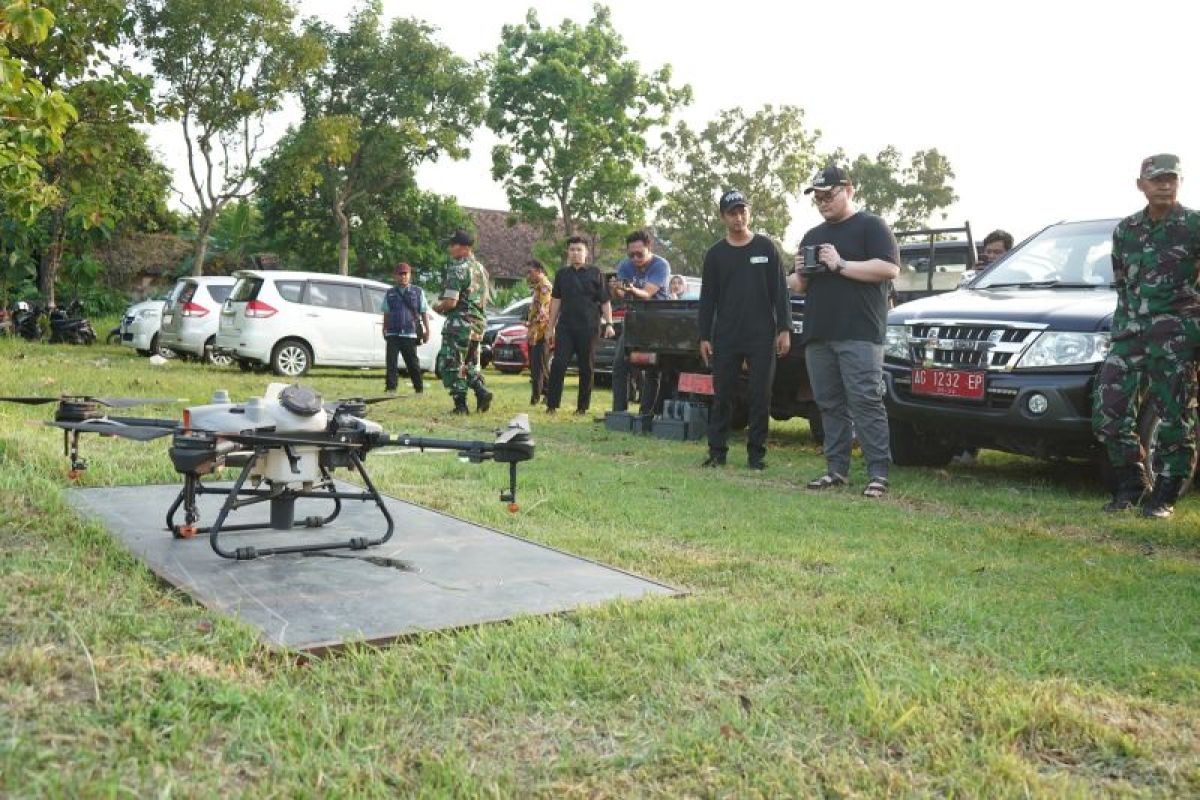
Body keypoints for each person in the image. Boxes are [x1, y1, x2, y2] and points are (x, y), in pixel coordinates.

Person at [1093, 153, 1200, 519]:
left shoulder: (1194, 225)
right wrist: (1122, 329)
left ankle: (1165, 494)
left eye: (1171, 178)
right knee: (1109, 408)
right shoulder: (1126, 230)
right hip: (1131, 334)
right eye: (1156, 179)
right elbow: (1124, 284)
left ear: (1179, 182)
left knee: (1175, 416)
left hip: (1177, 336)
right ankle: (1131, 485)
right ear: (1141, 184)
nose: (1164, 184)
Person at [794, 165, 900, 498]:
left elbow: (888, 268)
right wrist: (799, 273)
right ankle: (836, 470)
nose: (823, 202)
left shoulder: (871, 226)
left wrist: (841, 264)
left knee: (866, 401)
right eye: (818, 198)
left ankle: (878, 474)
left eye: (829, 195)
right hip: (818, 333)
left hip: (860, 332)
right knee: (828, 405)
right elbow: (799, 285)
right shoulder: (811, 236)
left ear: (849, 190)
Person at [698, 190, 790, 471]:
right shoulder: (715, 254)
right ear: (724, 217)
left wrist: (784, 329)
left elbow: (781, 292)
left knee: (761, 395)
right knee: (723, 395)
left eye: (742, 212)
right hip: (726, 334)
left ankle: (756, 455)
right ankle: (717, 453)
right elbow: (708, 298)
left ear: (749, 213)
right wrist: (703, 336)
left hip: (762, 334)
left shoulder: (767, 247)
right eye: (732, 213)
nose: (738, 218)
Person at [545, 236, 616, 415]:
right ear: (568, 253)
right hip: (566, 327)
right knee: (558, 364)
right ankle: (552, 405)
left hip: (589, 327)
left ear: (586, 253)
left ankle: (582, 407)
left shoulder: (595, 273)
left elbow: (605, 301)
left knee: (586, 367)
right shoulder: (562, 274)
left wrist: (609, 323)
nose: (575, 253)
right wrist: (550, 327)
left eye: (579, 250)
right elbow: (555, 301)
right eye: (572, 250)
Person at [609, 229, 671, 416]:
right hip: (634, 318)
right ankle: (619, 411)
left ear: (649, 248)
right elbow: (620, 296)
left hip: (657, 318)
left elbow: (647, 293)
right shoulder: (625, 265)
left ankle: (647, 413)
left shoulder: (661, 265)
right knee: (620, 364)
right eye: (631, 254)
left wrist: (631, 288)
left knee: (653, 369)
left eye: (639, 254)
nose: (635, 258)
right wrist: (615, 289)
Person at [432, 229, 493, 415]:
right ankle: (481, 391)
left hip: (460, 324)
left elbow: (451, 302)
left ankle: (460, 406)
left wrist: (437, 307)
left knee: (451, 363)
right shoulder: (482, 270)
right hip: (477, 324)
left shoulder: (458, 269)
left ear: (465, 248)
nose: (450, 248)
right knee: (470, 363)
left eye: (453, 245)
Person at [381, 262, 429, 394]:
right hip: (393, 333)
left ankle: (418, 388)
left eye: (405, 274)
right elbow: (386, 312)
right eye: (400, 274)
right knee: (391, 363)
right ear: (395, 276)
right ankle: (391, 388)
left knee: (413, 363)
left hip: (410, 333)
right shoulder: (390, 293)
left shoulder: (417, 292)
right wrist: (384, 328)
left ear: (410, 275)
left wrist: (427, 330)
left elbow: (424, 311)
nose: (403, 277)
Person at [524, 259, 553, 405]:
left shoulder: (544, 287)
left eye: (530, 272)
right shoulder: (537, 287)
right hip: (535, 331)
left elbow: (543, 312)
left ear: (539, 271)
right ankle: (546, 394)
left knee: (538, 367)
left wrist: (531, 324)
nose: (528, 275)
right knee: (538, 365)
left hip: (540, 332)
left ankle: (536, 397)